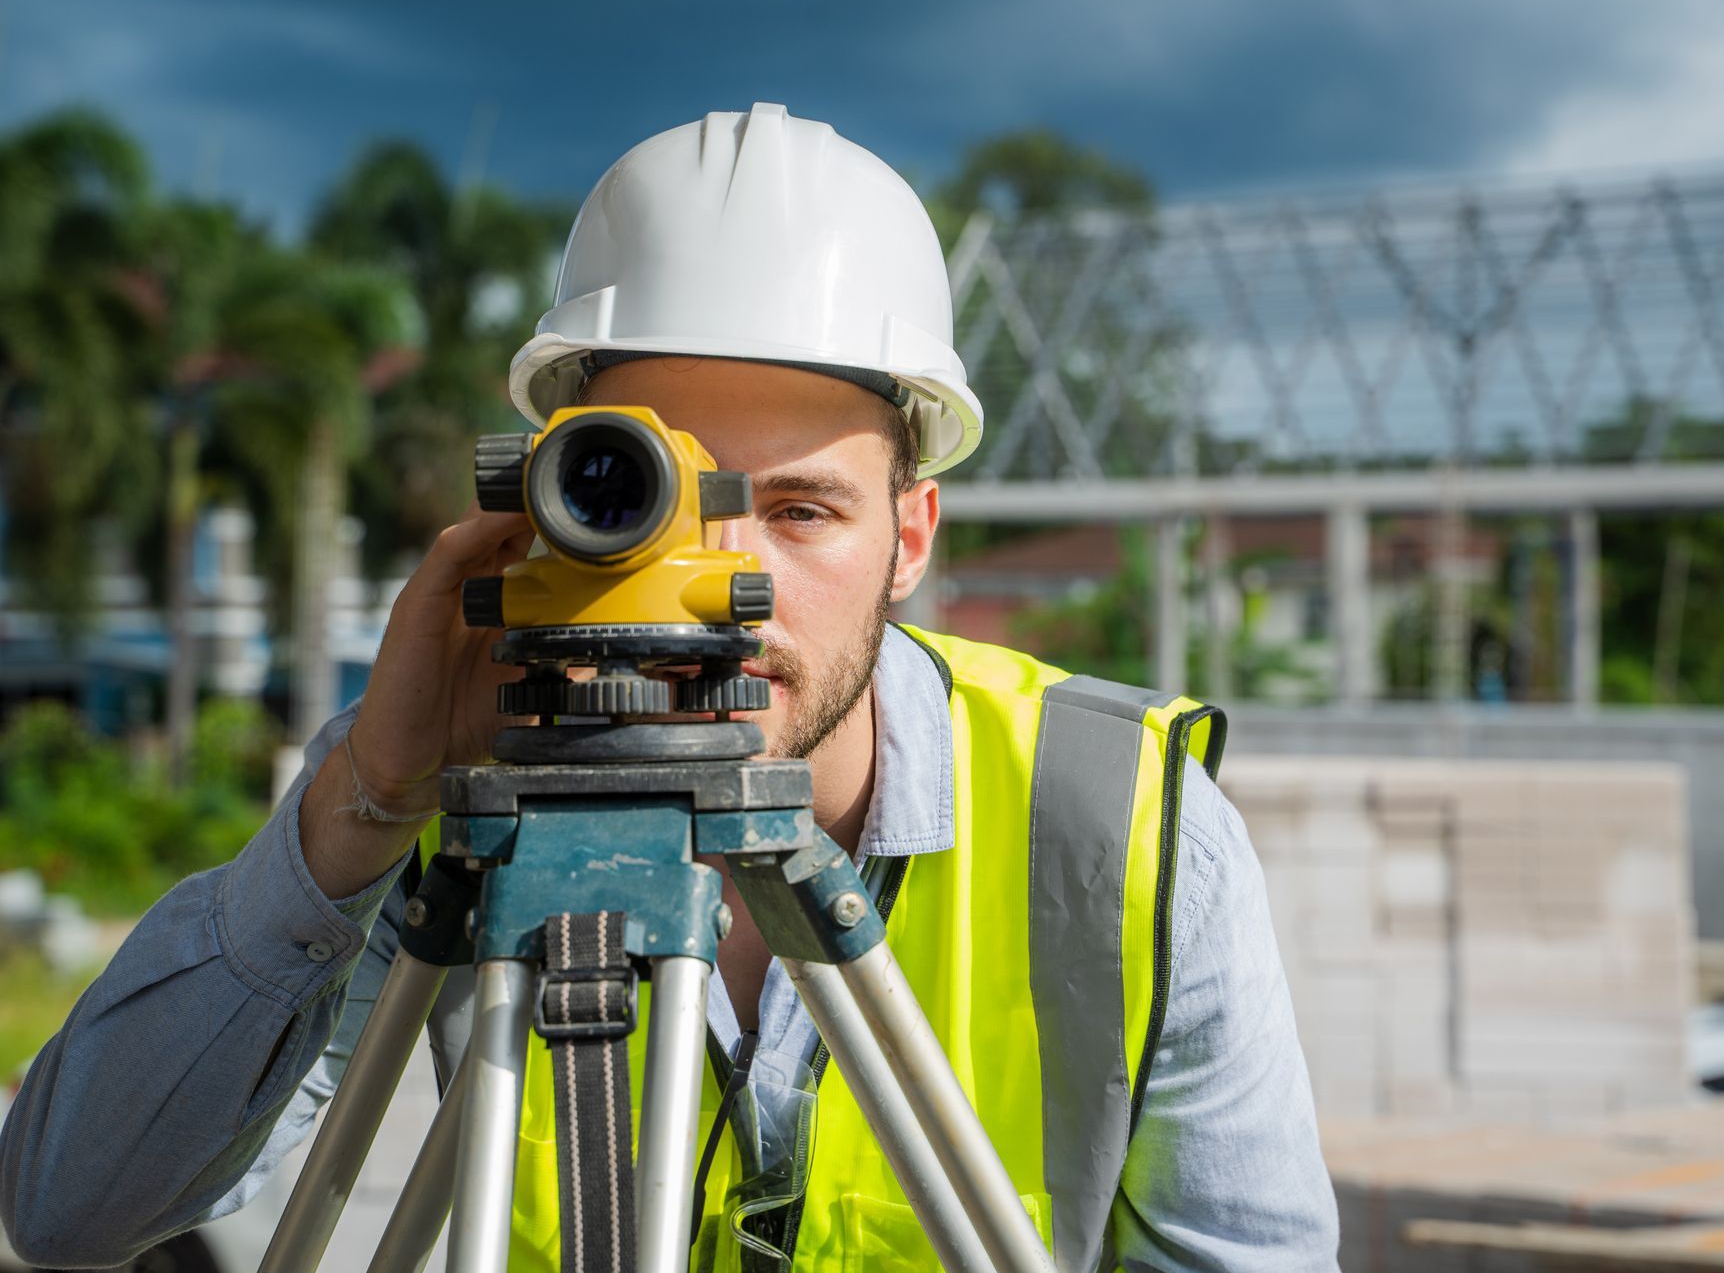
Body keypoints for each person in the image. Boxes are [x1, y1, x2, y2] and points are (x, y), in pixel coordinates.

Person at [0, 103, 1338, 1272]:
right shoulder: (456, 818)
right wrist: (360, 806)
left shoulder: (1124, 832)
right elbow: (69, 1209)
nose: (726, 578)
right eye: (655, 502)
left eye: (803, 510)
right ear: (548, 492)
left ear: (910, 539)